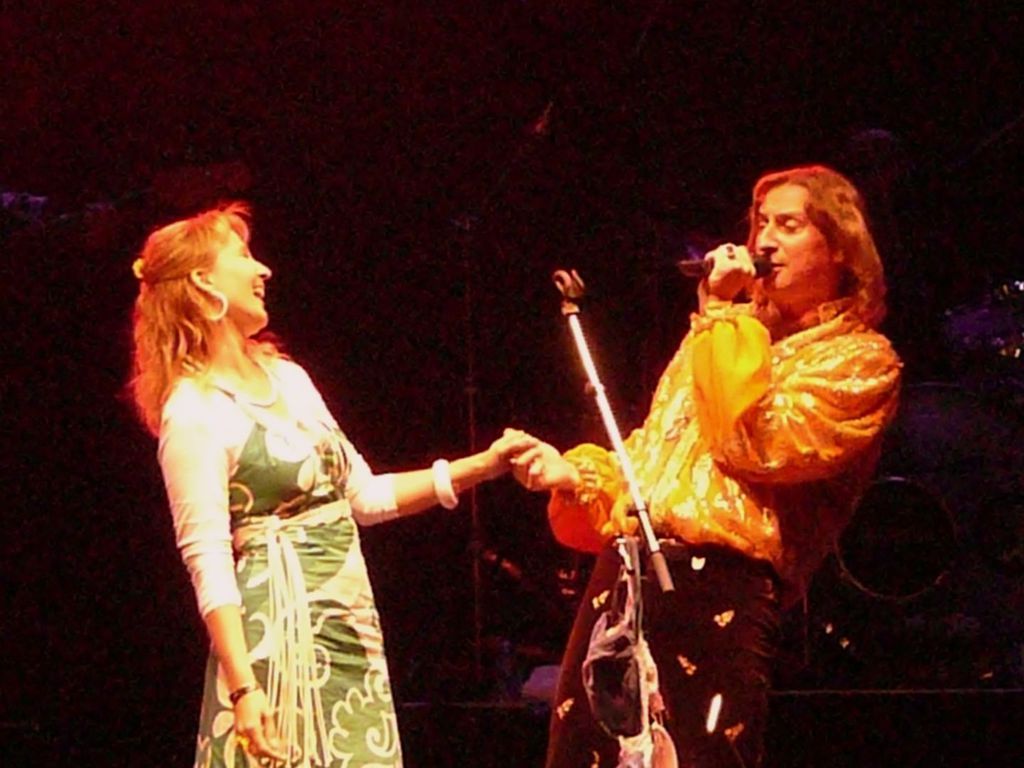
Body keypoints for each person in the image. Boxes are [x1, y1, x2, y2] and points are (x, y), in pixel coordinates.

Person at [513, 165, 902, 767]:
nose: (764, 241)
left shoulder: (859, 362)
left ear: (840, 249)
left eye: (789, 225)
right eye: (760, 224)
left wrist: (723, 312)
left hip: (718, 590)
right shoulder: (721, 337)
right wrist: (581, 478)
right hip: (623, 580)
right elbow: (655, 457)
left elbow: (752, 444)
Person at [127, 202, 536, 767]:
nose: (263, 270)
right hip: (275, 639)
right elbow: (208, 560)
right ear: (202, 281)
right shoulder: (194, 410)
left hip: (348, 628)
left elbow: (364, 496)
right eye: (243, 256)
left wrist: (483, 466)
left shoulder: (289, 379)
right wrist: (244, 689)